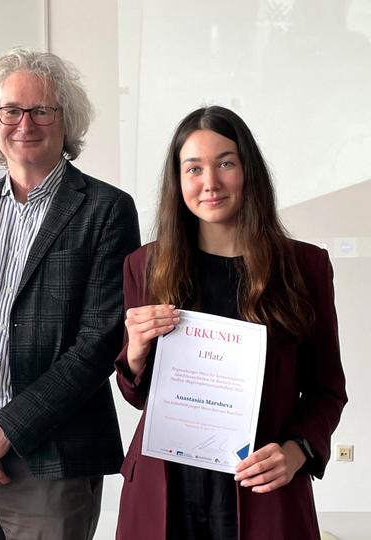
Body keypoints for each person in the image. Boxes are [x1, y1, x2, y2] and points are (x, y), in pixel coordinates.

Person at [0, 47, 140, 539]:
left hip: (52, 461)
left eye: (42, 109)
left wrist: (3, 432)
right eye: (12, 110)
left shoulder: (106, 210)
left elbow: (99, 342)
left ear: (67, 122)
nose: (25, 122)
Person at [114, 105, 348, 539]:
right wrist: (136, 352)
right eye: (194, 168)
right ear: (177, 181)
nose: (210, 183)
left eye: (225, 163)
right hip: (166, 487)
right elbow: (138, 395)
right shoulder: (144, 266)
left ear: (248, 171)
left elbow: (327, 390)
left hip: (262, 486)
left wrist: (297, 451)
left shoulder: (305, 266)